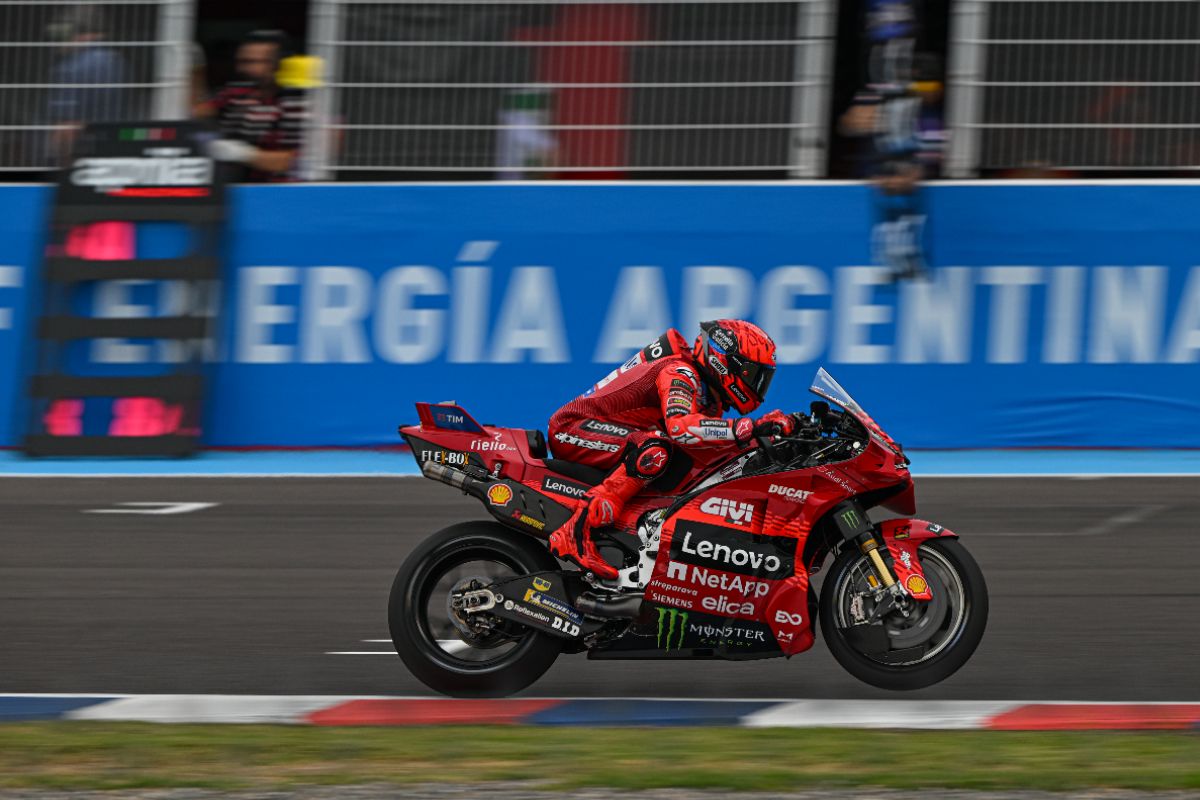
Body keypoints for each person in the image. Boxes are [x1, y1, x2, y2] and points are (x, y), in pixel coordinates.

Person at [547, 320, 798, 579]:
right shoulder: (680, 371)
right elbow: (679, 428)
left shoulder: (708, 397)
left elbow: (713, 440)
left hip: (615, 435)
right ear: (723, 360)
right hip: (573, 427)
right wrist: (749, 427)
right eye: (751, 374)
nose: (756, 385)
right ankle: (576, 531)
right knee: (655, 448)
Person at [195, 30, 308, 182]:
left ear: (280, 64)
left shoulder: (300, 101)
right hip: (237, 186)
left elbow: (298, 162)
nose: (242, 69)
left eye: (251, 62)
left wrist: (244, 154)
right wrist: (195, 72)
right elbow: (195, 113)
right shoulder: (237, 91)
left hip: (285, 191)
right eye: (241, 62)